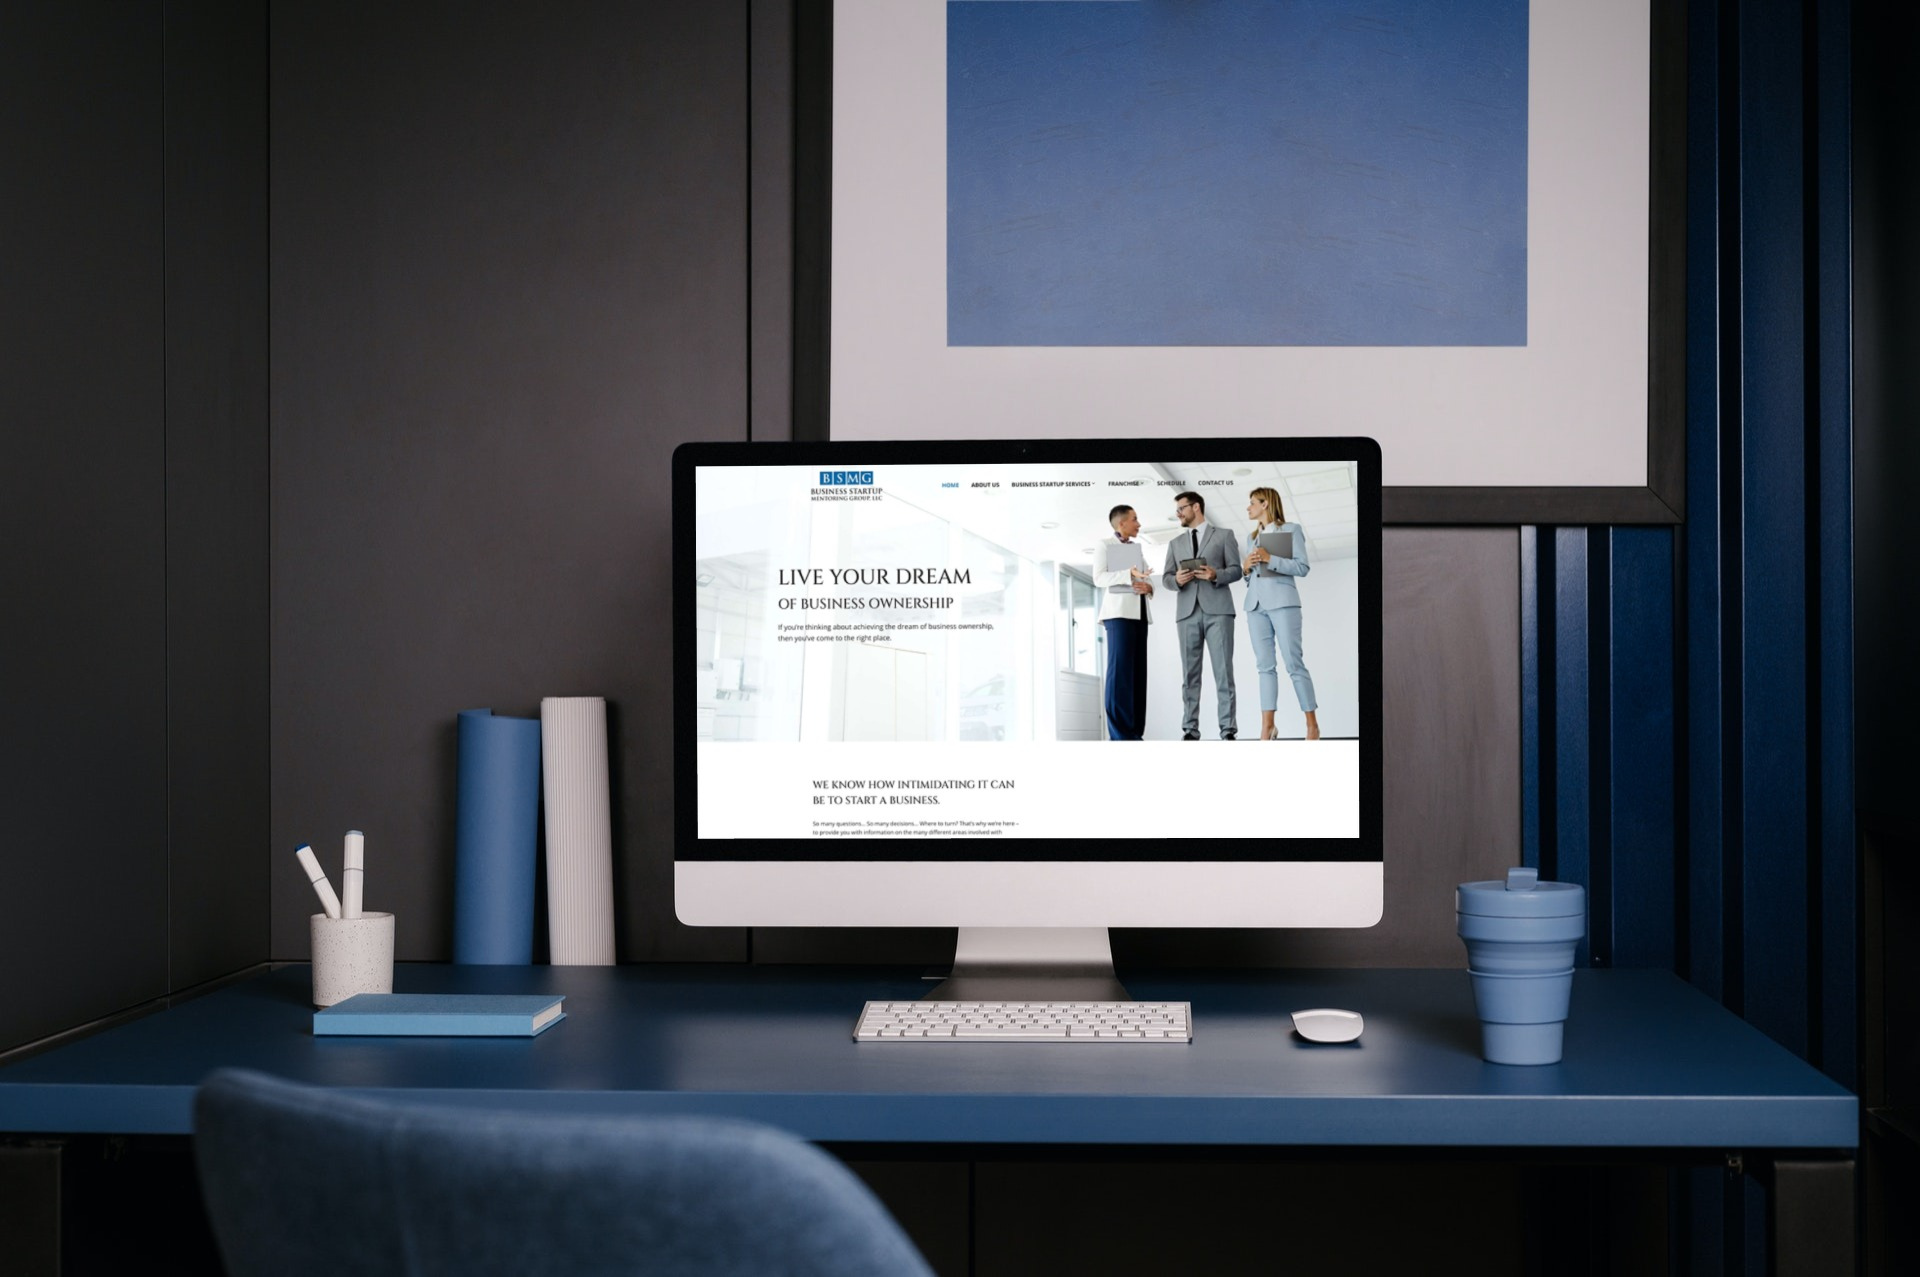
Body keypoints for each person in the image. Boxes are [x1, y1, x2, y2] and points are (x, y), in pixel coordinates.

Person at [1161, 491, 1243, 739]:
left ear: (1196, 507)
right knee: (1189, 675)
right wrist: (1176, 579)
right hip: (1187, 613)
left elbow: (1237, 570)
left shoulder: (1224, 535)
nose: (1178, 514)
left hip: (1218, 611)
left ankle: (1228, 729)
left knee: (1223, 672)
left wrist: (1215, 574)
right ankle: (1190, 729)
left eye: (1181, 509)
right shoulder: (1175, 543)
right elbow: (1166, 578)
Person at [1241, 486, 1319, 741]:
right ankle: (1268, 726)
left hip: (1284, 603)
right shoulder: (1251, 537)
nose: (1248, 507)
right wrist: (1246, 569)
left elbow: (1302, 566)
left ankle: (1312, 725)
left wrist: (1269, 557)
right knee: (1264, 667)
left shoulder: (1291, 529)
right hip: (1255, 606)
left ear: (1265, 504)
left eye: (1252, 502)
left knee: (1294, 664)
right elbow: (1252, 578)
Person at [1091, 504, 1153, 740]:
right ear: (1121, 523)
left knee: (1138, 675)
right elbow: (1099, 578)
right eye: (1135, 519)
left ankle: (1135, 733)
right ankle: (1120, 735)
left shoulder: (1137, 550)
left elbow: (1147, 580)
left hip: (1140, 614)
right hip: (1118, 615)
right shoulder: (1104, 545)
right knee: (1120, 675)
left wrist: (1149, 586)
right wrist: (1129, 574)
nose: (1139, 524)